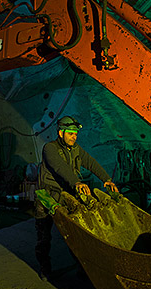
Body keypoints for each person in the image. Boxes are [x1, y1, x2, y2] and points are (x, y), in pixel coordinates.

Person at [34, 115, 118, 280]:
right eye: (71, 133)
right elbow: (59, 166)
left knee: (75, 234)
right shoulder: (49, 148)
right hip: (47, 197)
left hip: (66, 195)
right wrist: (77, 182)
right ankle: (45, 267)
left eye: (75, 134)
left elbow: (91, 162)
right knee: (44, 237)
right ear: (61, 133)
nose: (74, 137)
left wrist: (106, 179)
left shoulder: (76, 149)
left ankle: (82, 268)